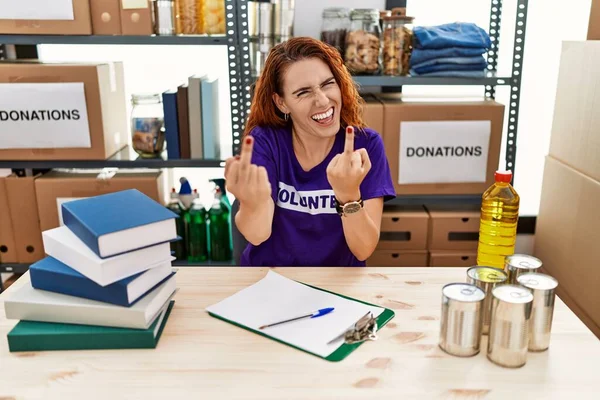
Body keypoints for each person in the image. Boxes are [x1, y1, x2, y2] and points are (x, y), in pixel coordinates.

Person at [224, 37, 395, 266]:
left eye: (327, 84)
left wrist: (348, 194)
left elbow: (363, 250)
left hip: (337, 286)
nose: (323, 101)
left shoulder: (366, 146)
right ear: (282, 103)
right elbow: (257, 235)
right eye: (303, 92)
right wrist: (252, 203)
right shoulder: (265, 142)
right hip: (272, 280)